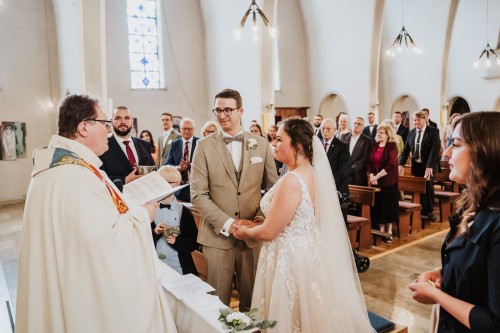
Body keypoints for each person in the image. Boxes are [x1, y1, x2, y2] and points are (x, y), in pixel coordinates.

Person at [15, 94, 177, 333]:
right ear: (83, 127)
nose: (109, 131)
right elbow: (103, 244)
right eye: (104, 124)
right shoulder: (73, 175)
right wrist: (144, 214)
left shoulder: (63, 167)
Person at [233, 118, 374, 333]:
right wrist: (261, 221)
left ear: (297, 146)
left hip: (288, 258)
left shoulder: (292, 180)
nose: (274, 143)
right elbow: (297, 217)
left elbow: (270, 232)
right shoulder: (312, 174)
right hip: (308, 252)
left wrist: (244, 231)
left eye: (280, 139)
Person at [408, 112, 500, 332]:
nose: (447, 154)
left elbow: (495, 323)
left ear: (485, 152)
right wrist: (444, 273)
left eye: (456, 145)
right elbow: (480, 267)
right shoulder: (474, 205)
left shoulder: (497, 222)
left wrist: (437, 296)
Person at [191, 88, 278, 311]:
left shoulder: (261, 144)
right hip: (217, 237)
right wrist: (229, 225)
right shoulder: (203, 146)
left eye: (228, 109)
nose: (222, 115)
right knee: (217, 305)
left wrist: (256, 221)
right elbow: (198, 195)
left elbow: (272, 190)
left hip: (253, 237)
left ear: (241, 111)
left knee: (254, 303)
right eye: (218, 110)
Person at [152, 166, 199, 275]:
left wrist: (177, 242)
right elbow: (142, 239)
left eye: (166, 182)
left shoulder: (184, 212)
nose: (161, 186)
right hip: (154, 267)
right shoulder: (151, 210)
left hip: (179, 267)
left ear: (177, 185)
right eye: (158, 182)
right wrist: (155, 232)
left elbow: (193, 242)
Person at [399, 111, 441, 221]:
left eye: (419, 120)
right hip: (417, 165)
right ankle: (422, 209)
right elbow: (406, 150)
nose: (416, 122)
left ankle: (430, 211)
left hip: (429, 166)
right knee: (419, 188)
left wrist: (429, 166)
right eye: (415, 120)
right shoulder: (412, 132)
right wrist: (400, 164)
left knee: (428, 187)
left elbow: (435, 150)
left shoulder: (433, 131)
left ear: (425, 120)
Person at [99, 106, 155, 184]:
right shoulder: (102, 146)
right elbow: (100, 178)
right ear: (111, 121)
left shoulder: (144, 145)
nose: (123, 121)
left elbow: (153, 171)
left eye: (127, 118)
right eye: (118, 118)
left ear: (132, 121)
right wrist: (125, 180)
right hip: (119, 194)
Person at [367, 124, 400, 242]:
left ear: (388, 134)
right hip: (376, 181)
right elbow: (369, 163)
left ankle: (389, 231)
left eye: (381, 132)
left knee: (388, 206)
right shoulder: (375, 146)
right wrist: (371, 176)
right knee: (379, 206)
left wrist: (377, 176)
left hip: (388, 181)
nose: (378, 134)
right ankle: (381, 230)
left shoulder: (392, 146)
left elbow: (391, 164)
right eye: (378, 132)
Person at [166, 118, 199, 202]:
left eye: (189, 129)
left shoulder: (200, 143)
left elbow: (205, 164)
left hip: (196, 188)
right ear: (180, 129)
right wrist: (178, 168)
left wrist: (190, 166)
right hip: (178, 189)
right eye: (184, 128)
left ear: (194, 129)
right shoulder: (174, 144)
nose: (186, 131)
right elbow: (168, 164)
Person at [321, 118, 351, 195]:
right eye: (323, 128)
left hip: (333, 186)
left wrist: (330, 184)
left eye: (328, 128)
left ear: (334, 130)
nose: (325, 131)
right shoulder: (317, 145)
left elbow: (343, 170)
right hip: (318, 185)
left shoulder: (342, 146)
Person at [344, 116, 373, 186]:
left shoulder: (368, 141)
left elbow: (365, 158)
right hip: (344, 174)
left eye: (359, 124)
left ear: (363, 127)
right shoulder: (344, 137)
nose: (356, 125)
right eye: (355, 123)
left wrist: (351, 169)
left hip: (358, 175)